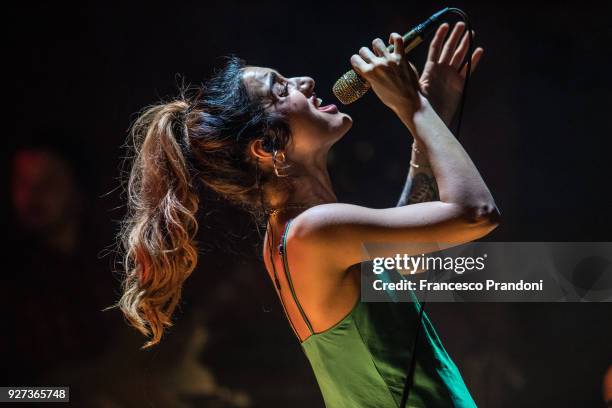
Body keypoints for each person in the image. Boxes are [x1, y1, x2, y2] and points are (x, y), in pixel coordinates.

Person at [113, 21, 499, 407]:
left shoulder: (298, 233)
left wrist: (431, 116)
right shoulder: (314, 231)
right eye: (281, 89)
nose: (307, 81)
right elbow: (476, 213)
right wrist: (414, 107)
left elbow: (402, 256)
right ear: (266, 147)